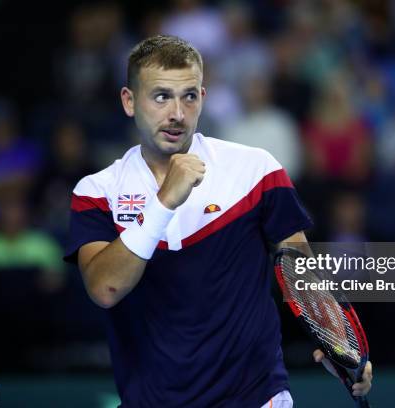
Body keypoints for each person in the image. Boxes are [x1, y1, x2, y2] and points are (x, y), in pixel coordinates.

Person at [65, 35, 372, 407]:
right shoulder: (97, 191)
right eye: (161, 96)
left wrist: (336, 343)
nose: (177, 112)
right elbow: (104, 288)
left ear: (203, 99)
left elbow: (301, 271)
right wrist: (164, 202)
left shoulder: (256, 169)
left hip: (258, 397)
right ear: (129, 101)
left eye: (189, 96)